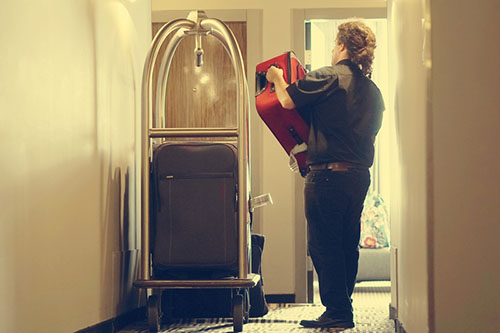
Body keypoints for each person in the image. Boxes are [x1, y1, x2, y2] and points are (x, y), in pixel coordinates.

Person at [266, 20, 385, 329]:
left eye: (335, 45)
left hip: (327, 176)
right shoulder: (373, 92)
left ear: (342, 47)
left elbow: (287, 100)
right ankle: (342, 306)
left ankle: (338, 312)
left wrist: (277, 77)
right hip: (359, 177)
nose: (333, 50)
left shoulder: (328, 77)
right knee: (347, 242)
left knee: (323, 244)